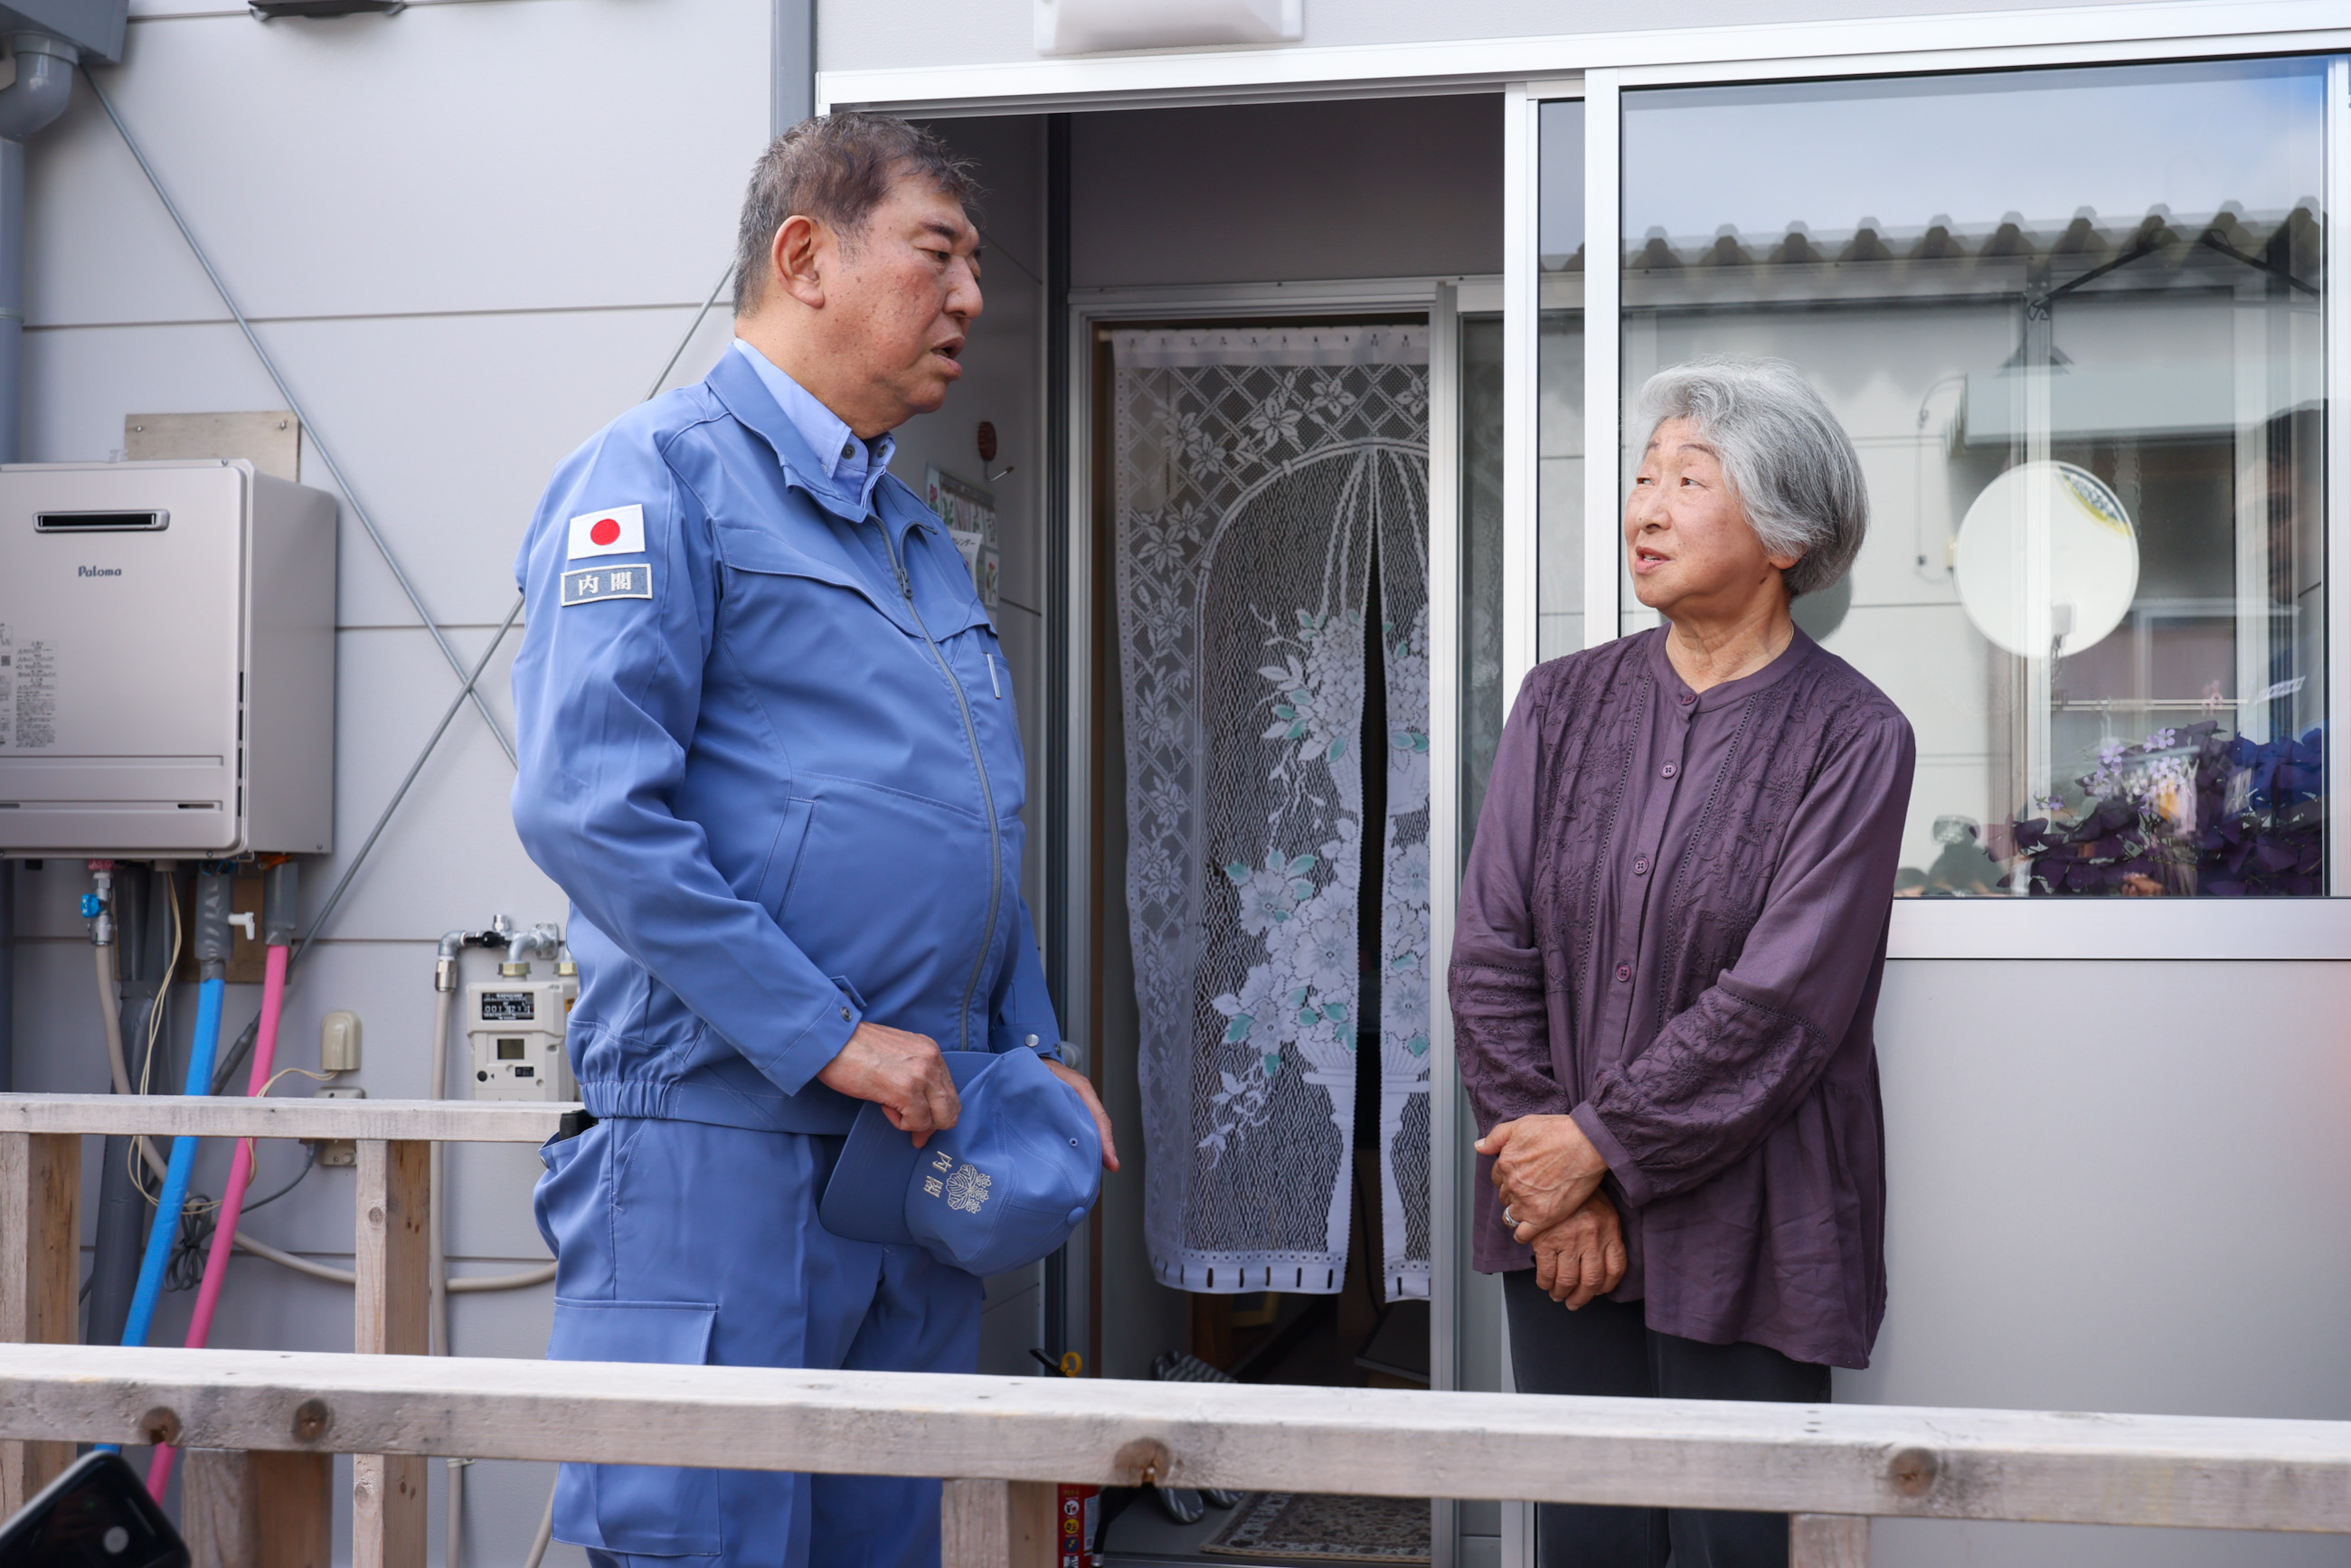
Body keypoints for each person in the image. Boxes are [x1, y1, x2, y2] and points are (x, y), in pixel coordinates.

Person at [509, 113, 1116, 1568]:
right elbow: (591, 808)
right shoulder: (651, 478)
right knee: (697, 1542)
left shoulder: (907, 532)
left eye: (973, 263)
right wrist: (832, 1033)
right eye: (938, 254)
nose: (972, 296)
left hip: (907, 1160)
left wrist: (1030, 1050)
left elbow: (966, 829)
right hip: (723, 1157)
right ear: (807, 257)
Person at [1449, 356, 1914, 1568]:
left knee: (1738, 1541)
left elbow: (1781, 1005)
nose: (1645, 508)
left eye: (1688, 479)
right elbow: (1491, 951)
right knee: (1589, 1538)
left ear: (1784, 533)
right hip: (1562, 1219)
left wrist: (1593, 1148)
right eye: (1643, 476)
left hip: (1753, 1218)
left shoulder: (1855, 737)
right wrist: (1549, 1172)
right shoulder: (1558, 705)